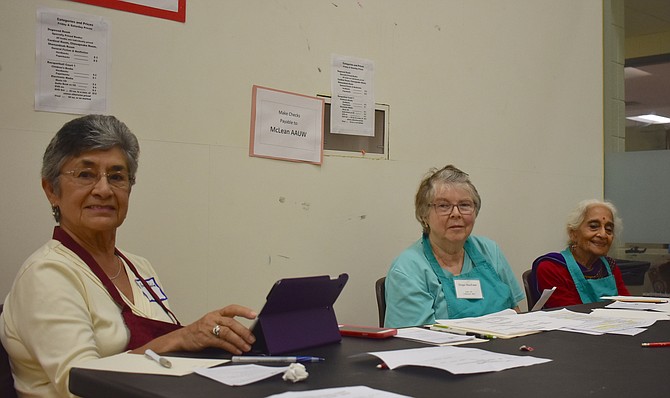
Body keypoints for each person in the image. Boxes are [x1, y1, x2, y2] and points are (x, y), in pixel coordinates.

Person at [0, 115, 257, 397]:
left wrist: (207, 337)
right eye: (85, 174)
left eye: (117, 176)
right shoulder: (46, 274)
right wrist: (181, 338)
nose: (104, 189)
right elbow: (81, 386)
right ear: (51, 190)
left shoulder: (138, 267)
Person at [384, 165, 524, 328]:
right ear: (424, 215)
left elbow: (516, 314)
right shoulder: (407, 270)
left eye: (464, 205)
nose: (456, 213)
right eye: (443, 206)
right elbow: (413, 341)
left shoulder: (489, 251)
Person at [531, 199, 629, 309]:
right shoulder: (552, 267)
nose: (603, 234)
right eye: (593, 226)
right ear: (573, 234)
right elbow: (571, 314)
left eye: (609, 229)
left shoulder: (609, 267)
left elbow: (627, 305)